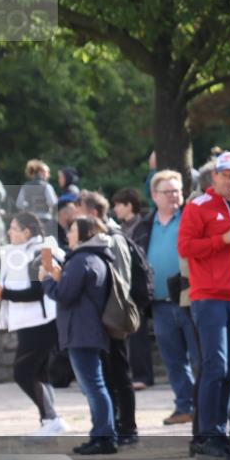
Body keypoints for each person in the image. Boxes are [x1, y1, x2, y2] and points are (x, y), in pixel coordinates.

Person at [178, 151, 230, 458]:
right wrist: (225, 238)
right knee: (215, 366)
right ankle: (209, 435)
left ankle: (219, 431)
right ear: (214, 176)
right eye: (225, 174)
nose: (229, 179)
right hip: (208, 297)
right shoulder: (197, 206)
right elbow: (185, 247)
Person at [130, 170, 200, 425]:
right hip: (159, 303)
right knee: (173, 360)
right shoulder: (144, 225)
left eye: (177, 191)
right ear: (154, 195)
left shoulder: (190, 218)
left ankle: (204, 407)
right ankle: (184, 406)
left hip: (190, 299)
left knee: (199, 357)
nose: (174, 196)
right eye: (167, 191)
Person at [42, 216, 116, 455]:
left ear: (83, 234)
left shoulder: (82, 260)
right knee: (94, 385)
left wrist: (46, 280)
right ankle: (101, 435)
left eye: (72, 230)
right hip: (87, 330)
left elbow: (64, 293)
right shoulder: (94, 258)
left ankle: (104, 437)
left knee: (93, 386)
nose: (68, 234)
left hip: (82, 331)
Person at [0, 212, 69, 436]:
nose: (9, 232)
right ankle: (50, 420)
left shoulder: (38, 252)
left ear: (26, 232)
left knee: (23, 372)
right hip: (28, 323)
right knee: (38, 373)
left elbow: (37, 292)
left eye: (13, 228)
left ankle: (52, 418)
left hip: (41, 323)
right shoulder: (16, 252)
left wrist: (4, 293)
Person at [76, 190, 139, 445]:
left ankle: (127, 428)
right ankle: (112, 425)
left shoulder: (113, 238)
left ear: (92, 214)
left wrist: (114, 313)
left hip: (113, 315)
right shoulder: (101, 238)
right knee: (108, 373)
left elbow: (122, 278)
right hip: (100, 316)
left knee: (119, 372)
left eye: (80, 213)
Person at [112, 187, 154, 390]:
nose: (115, 209)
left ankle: (142, 375)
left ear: (129, 205)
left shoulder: (141, 226)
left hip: (137, 286)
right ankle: (135, 373)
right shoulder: (123, 227)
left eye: (118, 205)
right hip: (126, 286)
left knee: (138, 332)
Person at [15, 159, 58, 228]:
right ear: (41, 172)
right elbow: (52, 202)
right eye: (47, 172)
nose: (48, 175)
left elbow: (19, 204)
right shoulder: (46, 186)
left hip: (30, 220)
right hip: (45, 219)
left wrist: (28, 207)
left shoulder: (25, 186)